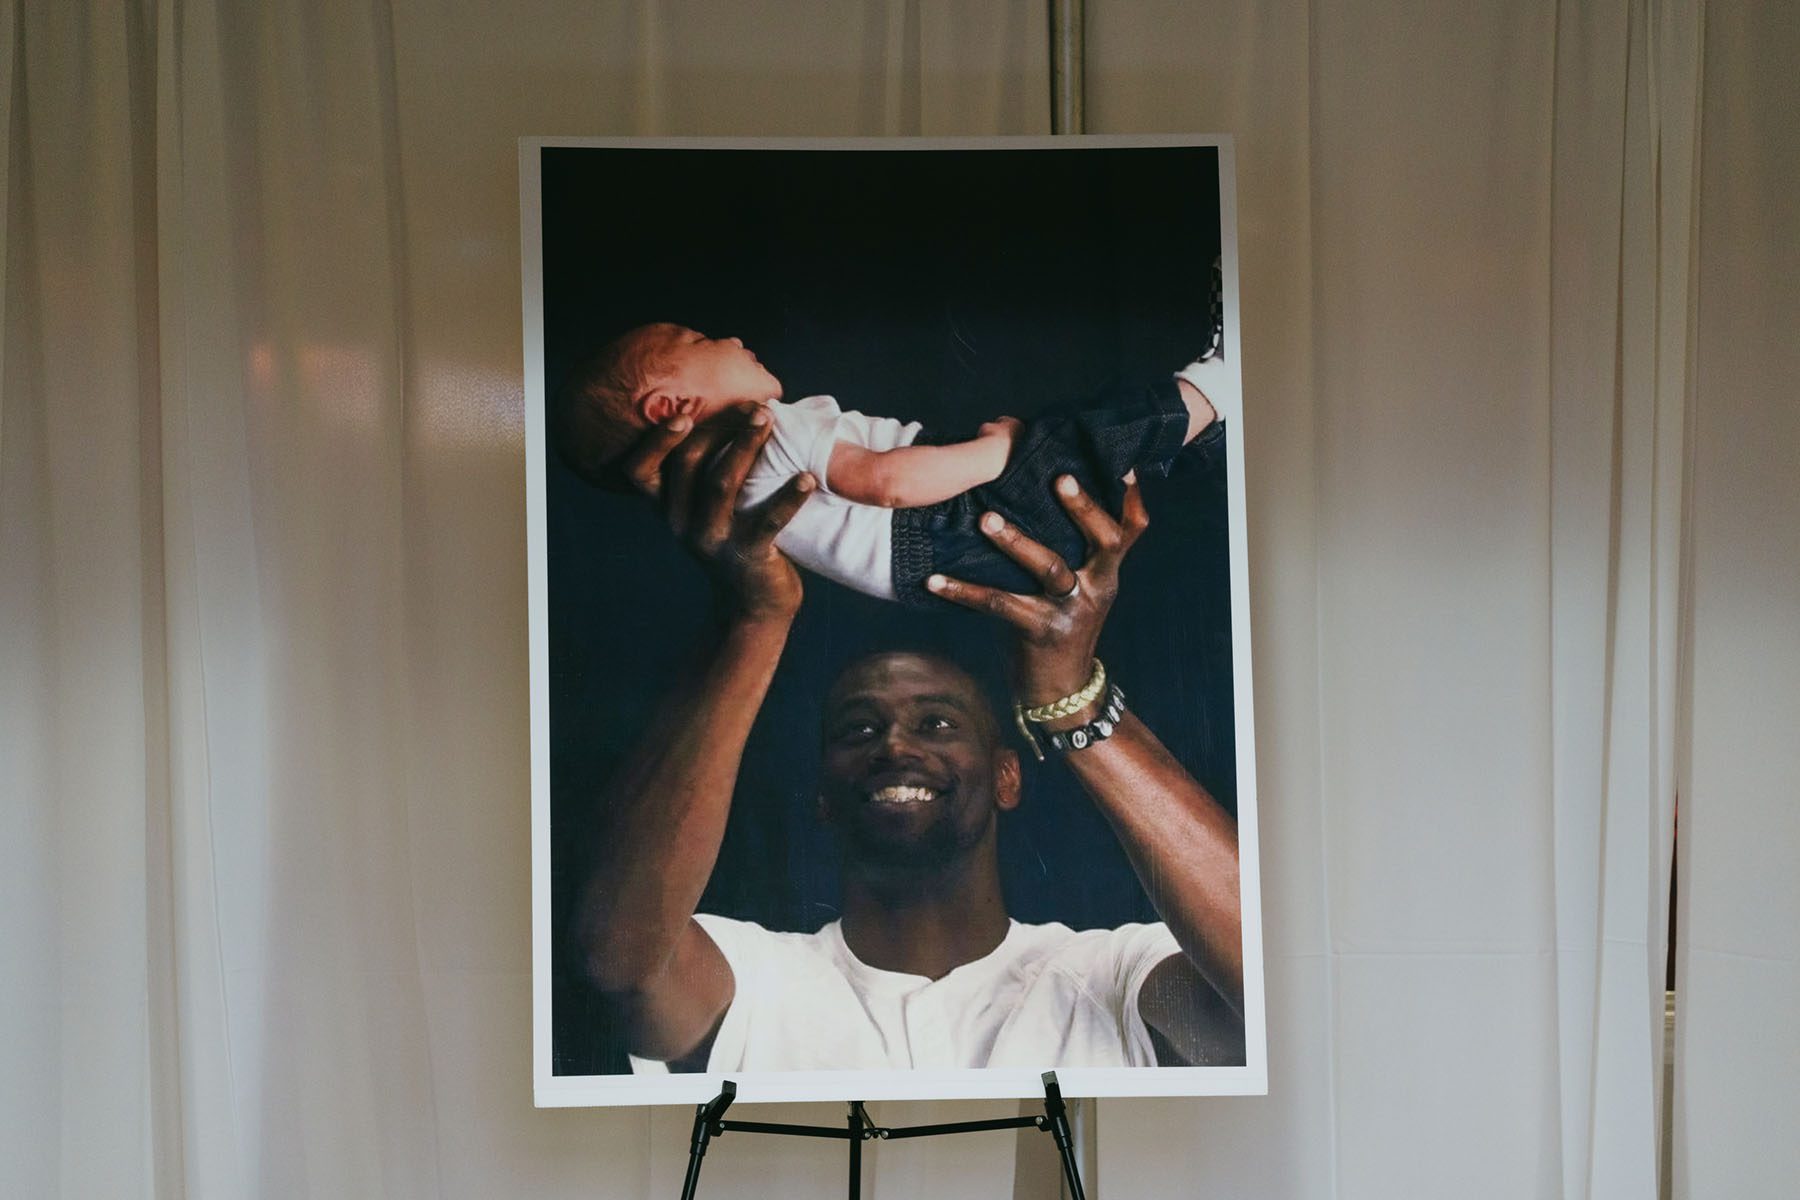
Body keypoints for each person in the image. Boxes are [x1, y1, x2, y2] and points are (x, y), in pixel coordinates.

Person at [569, 412, 1245, 1072]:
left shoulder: (1116, 975)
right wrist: (757, 617)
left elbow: (1269, 989)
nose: (894, 745)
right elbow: (622, 965)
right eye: (858, 729)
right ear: (822, 797)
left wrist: (1068, 698)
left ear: (1008, 776)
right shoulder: (751, 976)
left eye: (938, 723)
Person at [549, 322, 1239, 606]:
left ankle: (1202, 428)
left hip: (925, 570)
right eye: (700, 339)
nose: (730, 336)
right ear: (669, 404)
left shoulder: (718, 491)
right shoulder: (769, 430)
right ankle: (1217, 383)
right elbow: (889, 484)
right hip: (940, 521)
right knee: (1074, 437)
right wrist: (1006, 450)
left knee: (1088, 455)